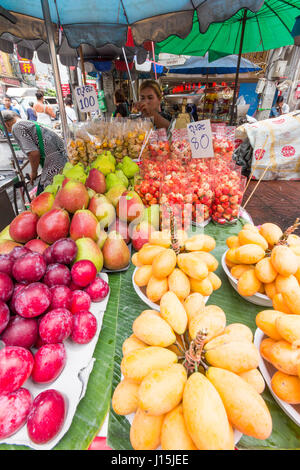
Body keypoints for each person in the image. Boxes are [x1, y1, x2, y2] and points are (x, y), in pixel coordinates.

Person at [2, 110, 67, 194]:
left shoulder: (17, 127)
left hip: (55, 167)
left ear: (6, 124)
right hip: (63, 161)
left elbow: (33, 153)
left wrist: (34, 172)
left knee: (43, 195)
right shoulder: (28, 122)